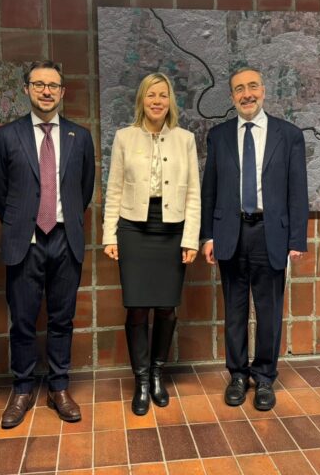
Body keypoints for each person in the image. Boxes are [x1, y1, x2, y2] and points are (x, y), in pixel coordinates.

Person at [0, 60, 95, 425]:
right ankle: (22, 389)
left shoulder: (80, 137)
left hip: (66, 239)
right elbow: (0, 194)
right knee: (22, 320)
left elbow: (84, 190)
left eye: (53, 85)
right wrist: (23, 223)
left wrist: (64, 220)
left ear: (63, 92)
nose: (46, 91)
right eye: (39, 84)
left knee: (62, 319)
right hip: (25, 241)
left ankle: (59, 387)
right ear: (26, 89)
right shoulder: (7, 136)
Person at [200, 66, 308, 411]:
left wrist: (297, 239)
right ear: (232, 97)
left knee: (269, 311)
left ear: (263, 90)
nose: (246, 94)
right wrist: (207, 235)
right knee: (233, 310)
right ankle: (237, 375)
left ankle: (264, 377)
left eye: (252, 87)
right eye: (239, 89)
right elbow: (209, 190)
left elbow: (298, 191)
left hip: (270, 233)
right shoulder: (218, 137)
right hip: (230, 233)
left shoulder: (288, 135)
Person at [103, 73, 200, 416]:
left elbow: (193, 193)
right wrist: (109, 235)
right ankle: (141, 380)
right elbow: (114, 188)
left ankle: (158, 373)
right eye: (151, 95)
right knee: (137, 307)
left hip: (172, 229)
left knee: (166, 307)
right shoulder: (124, 137)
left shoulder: (185, 139)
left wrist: (191, 238)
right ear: (141, 100)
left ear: (170, 101)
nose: (157, 101)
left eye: (163, 95)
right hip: (133, 228)